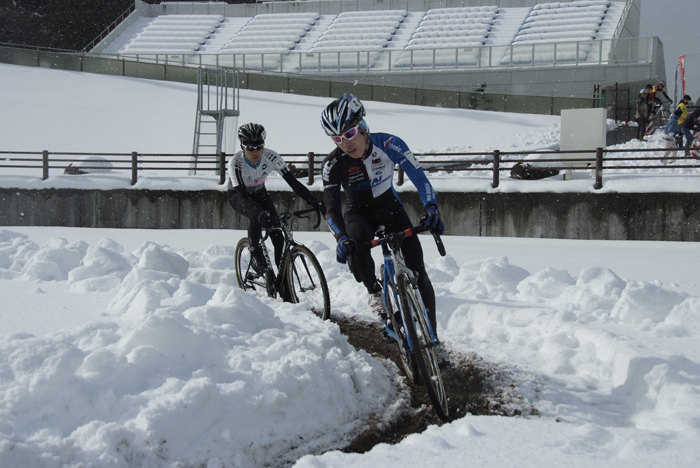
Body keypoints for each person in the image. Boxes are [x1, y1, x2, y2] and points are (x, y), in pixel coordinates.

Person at [319, 93, 450, 367]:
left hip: (390, 208)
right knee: (356, 244)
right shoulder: (333, 164)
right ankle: (373, 291)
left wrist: (431, 207)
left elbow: (419, 177)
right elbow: (331, 209)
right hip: (357, 213)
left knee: (419, 271)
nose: (345, 143)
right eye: (336, 139)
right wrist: (340, 237)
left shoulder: (389, 143)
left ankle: (434, 340)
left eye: (350, 133)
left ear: (363, 124)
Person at [227, 122, 325, 285]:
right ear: (242, 145)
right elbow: (243, 197)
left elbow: (294, 183)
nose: (255, 151)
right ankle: (255, 251)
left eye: (259, 147)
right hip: (238, 195)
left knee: (278, 235)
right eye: (250, 147)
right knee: (256, 216)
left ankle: (282, 279)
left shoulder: (271, 157)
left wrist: (313, 200)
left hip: (259, 192)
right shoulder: (235, 163)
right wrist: (258, 214)